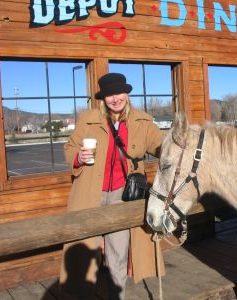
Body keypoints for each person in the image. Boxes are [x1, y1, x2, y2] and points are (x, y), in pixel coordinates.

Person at [59, 72, 165, 300]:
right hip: (90, 195)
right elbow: (69, 149)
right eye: (109, 95)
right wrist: (78, 156)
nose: (115, 98)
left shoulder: (142, 121)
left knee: (118, 253)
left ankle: (117, 297)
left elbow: (161, 145)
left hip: (123, 196)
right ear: (103, 98)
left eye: (119, 93)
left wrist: (178, 147)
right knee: (87, 254)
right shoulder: (87, 119)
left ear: (126, 93)